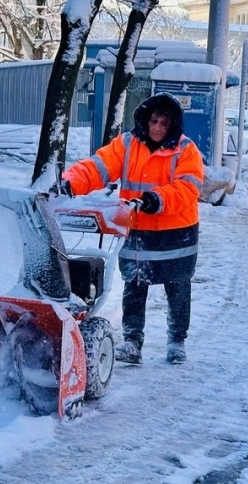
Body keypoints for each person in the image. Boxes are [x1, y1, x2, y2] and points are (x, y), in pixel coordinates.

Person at [53, 92, 204, 364]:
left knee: (177, 286)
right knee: (134, 284)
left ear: (173, 126)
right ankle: (132, 342)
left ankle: (177, 341)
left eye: (164, 123)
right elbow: (97, 167)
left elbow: (188, 188)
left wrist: (157, 198)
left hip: (176, 233)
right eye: (154, 121)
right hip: (137, 228)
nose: (157, 128)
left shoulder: (186, 150)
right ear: (145, 120)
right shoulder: (127, 145)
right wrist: (70, 182)